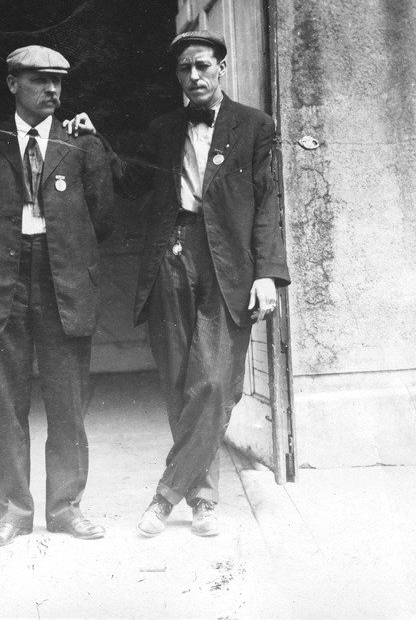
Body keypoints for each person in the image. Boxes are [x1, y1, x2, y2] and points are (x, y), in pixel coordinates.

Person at [114, 29, 290, 537]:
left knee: (213, 381)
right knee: (179, 383)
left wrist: (267, 273)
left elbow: (268, 204)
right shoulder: (162, 129)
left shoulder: (255, 126)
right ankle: (204, 501)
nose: (193, 76)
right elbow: (129, 184)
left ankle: (165, 497)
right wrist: (91, 139)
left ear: (221, 68)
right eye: (184, 68)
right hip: (172, 255)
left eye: (202, 66)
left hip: (229, 264)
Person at [0, 45, 115, 547]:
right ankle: (14, 513)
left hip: (64, 283)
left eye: (58, 81)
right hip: (3, 284)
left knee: (68, 405)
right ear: (12, 84)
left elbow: (104, 220)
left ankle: (66, 508)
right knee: (8, 404)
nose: (52, 90)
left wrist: (97, 148)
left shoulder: (79, 143)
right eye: (40, 80)